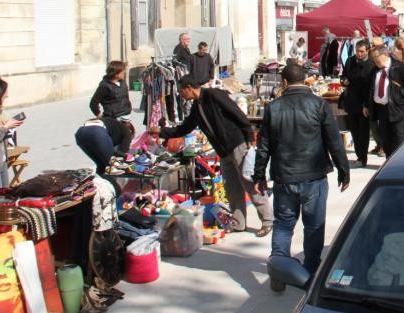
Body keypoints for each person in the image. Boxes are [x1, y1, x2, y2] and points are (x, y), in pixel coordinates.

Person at [253, 64, 349, 287]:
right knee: (314, 227)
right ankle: (310, 273)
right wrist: (343, 170)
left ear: (284, 83)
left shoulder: (273, 107)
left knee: (284, 225)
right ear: (305, 81)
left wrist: (259, 176)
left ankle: (279, 273)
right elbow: (334, 141)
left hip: (285, 177)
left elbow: (263, 145)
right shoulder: (319, 104)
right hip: (313, 176)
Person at [150, 74, 273, 236]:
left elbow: (237, 113)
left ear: (189, 88)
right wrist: (162, 131)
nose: (182, 95)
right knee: (231, 187)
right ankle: (238, 222)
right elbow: (184, 128)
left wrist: (249, 135)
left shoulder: (214, 95)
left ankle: (267, 220)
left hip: (237, 144)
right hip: (223, 151)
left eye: (182, 91)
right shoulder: (196, 107)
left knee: (248, 182)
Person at [363, 45, 404, 157]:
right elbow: (369, 89)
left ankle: (400, 165)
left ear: (385, 54)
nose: (374, 59)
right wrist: (366, 105)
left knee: (399, 140)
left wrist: (399, 90)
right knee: (386, 141)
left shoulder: (400, 67)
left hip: (397, 108)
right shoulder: (374, 70)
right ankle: (389, 163)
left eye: (375, 56)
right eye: (372, 57)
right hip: (381, 110)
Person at [340, 40, 374, 166]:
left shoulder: (371, 64)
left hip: (364, 103)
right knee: (354, 130)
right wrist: (344, 81)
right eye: (357, 51)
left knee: (363, 132)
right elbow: (343, 75)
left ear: (367, 51)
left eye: (362, 51)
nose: (359, 54)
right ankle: (359, 154)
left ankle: (362, 157)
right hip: (351, 101)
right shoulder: (350, 61)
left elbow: (370, 87)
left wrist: (367, 104)